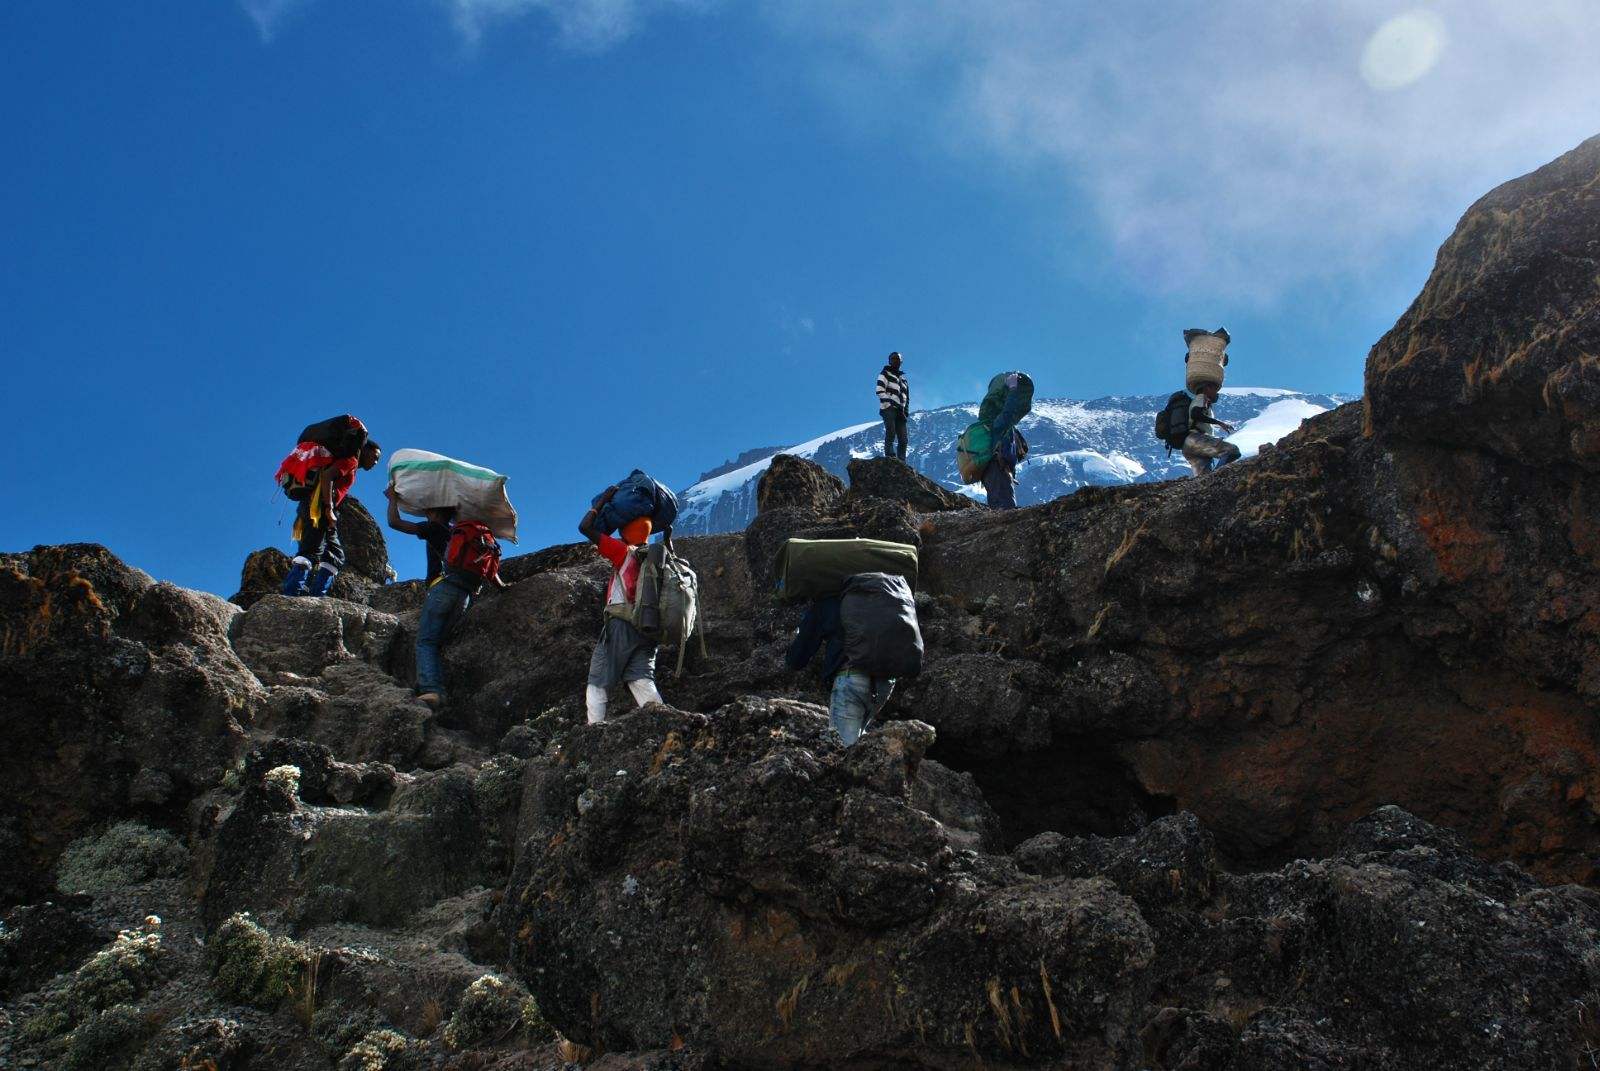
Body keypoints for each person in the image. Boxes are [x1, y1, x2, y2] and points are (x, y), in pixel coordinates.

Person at [579, 487, 664, 724]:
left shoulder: (624, 552)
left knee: (598, 679)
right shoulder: (657, 558)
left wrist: (603, 500)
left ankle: (594, 732)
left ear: (626, 531)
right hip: (650, 627)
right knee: (640, 679)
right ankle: (665, 725)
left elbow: (585, 528)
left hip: (622, 624)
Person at [784, 594, 892, 746]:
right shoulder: (881, 598)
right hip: (885, 683)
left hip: (851, 681)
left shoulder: (829, 603)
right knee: (860, 748)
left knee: (842, 749)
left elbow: (797, 659)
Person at [281, 438, 382, 596]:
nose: (375, 462)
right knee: (311, 551)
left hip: (317, 507)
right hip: (319, 508)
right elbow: (327, 476)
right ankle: (292, 593)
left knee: (335, 555)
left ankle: (315, 594)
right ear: (364, 451)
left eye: (377, 460)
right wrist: (328, 508)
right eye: (374, 457)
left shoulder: (350, 464)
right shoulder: (350, 461)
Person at [383, 487, 456, 583]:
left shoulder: (434, 527)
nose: (426, 513)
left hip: (440, 584)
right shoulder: (454, 531)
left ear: (437, 513)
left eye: (429, 511)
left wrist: (392, 499)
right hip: (459, 584)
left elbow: (394, 522)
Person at [1182, 382, 1241, 476]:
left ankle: (1210, 479)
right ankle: (1216, 476)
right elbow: (1195, 414)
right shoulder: (1201, 397)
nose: (1217, 393)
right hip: (1197, 439)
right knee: (1232, 451)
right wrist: (1219, 423)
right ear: (1207, 388)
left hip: (1188, 445)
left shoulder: (1201, 401)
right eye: (1215, 389)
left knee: (1203, 477)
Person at [875, 351, 910, 460]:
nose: (895, 361)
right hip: (888, 408)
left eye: (897, 359)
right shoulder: (885, 373)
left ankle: (901, 461)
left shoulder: (903, 380)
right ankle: (890, 456)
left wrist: (905, 411)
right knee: (891, 431)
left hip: (900, 411)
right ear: (889, 361)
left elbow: (907, 397)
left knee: (903, 438)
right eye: (893, 359)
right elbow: (880, 390)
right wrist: (888, 404)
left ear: (901, 362)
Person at [981, 427, 1026, 511]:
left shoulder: (988, 427)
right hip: (1000, 468)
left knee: (994, 502)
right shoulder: (1006, 427)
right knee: (1007, 505)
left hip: (986, 470)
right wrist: (1009, 470)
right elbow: (1008, 454)